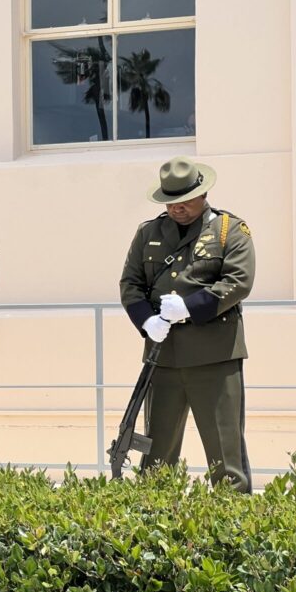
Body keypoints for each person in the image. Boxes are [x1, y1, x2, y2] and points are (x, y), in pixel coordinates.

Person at [120, 156, 254, 493]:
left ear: (202, 193)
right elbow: (130, 283)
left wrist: (190, 308)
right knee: (157, 455)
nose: (177, 208)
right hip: (162, 357)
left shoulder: (229, 230)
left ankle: (234, 533)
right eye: (171, 202)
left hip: (215, 357)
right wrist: (145, 320)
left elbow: (239, 281)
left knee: (225, 456)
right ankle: (156, 528)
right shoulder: (148, 232)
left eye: (184, 201)